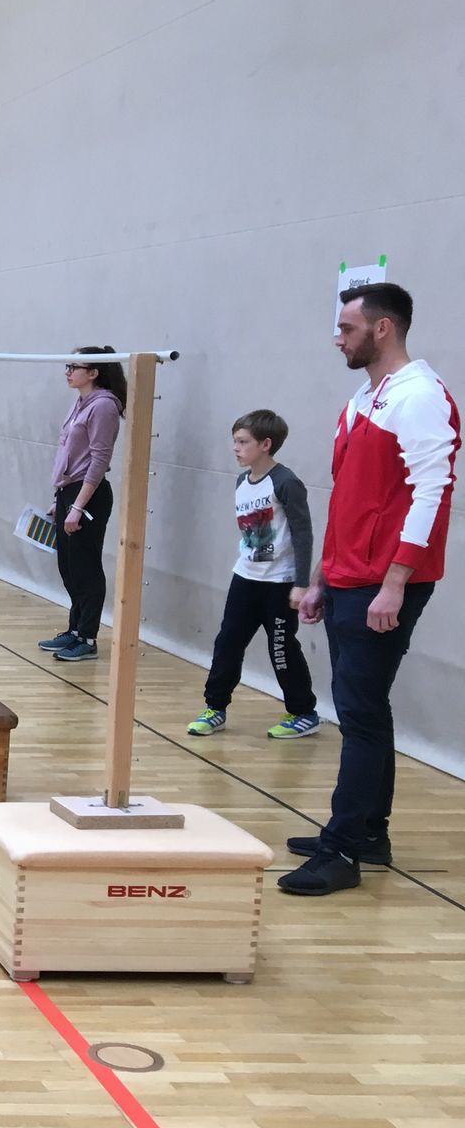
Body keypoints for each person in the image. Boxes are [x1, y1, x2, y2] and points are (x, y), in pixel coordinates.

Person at [280, 282, 459, 896]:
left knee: (358, 714)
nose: (338, 338)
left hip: (385, 584)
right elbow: (349, 499)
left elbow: (434, 493)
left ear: (383, 328)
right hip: (350, 577)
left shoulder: (420, 396)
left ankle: (342, 850)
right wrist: (322, 577)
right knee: (364, 708)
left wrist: (395, 583)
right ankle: (368, 833)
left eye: (347, 328)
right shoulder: (364, 397)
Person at [186, 410, 319, 741]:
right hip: (245, 579)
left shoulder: (286, 483)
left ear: (265, 444)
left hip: (280, 584)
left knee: (281, 649)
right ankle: (215, 708)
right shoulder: (241, 482)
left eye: (243, 442)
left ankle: (303, 712)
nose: (235, 448)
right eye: (234, 441)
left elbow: (303, 534)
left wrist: (302, 584)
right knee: (227, 643)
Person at [37, 347, 124, 662]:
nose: (68, 371)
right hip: (68, 491)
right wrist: (60, 498)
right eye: (68, 365)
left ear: (93, 372)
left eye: (74, 367)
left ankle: (87, 637)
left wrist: (77, 506)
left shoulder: (103, 406)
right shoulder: (80, 403)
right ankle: (74, 630)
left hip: (89, 495)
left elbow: (99, 460)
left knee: (86, 567)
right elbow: (69, 453)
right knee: (68, 566)